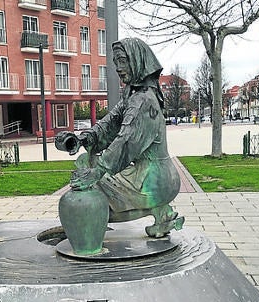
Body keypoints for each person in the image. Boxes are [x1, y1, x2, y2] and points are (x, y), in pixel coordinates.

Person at [56, 37, 184, 238]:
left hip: (154, 180)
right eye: (116, 62)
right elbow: (111, 122)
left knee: (89, 181)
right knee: (88, 166)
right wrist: (84, 139)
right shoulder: (133, 94)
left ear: (136, 60)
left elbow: (127, 141)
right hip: (151, 175)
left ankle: (90, 234)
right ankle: (161, 214)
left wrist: (98, 171)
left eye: (123, 61)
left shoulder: (143, 101)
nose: (118, 67)